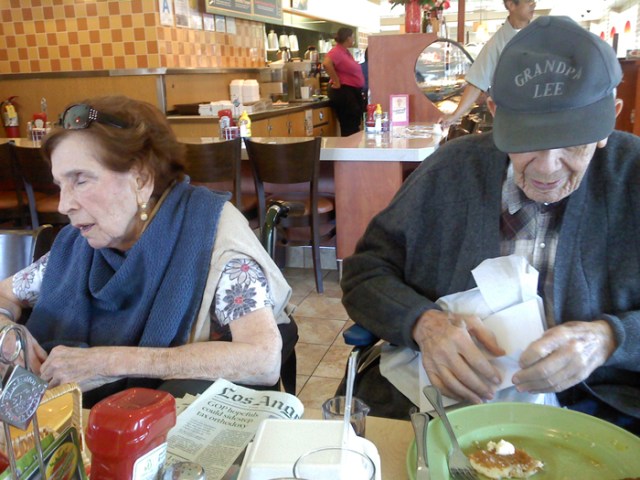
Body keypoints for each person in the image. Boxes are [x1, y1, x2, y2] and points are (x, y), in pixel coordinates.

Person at [341, 16, 640, 434]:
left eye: (573, 142)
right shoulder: (450, 170)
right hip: (445, 402)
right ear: (496, 113)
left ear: (610, 119)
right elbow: (365, 273)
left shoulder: (633, 177)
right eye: (527, 140)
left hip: (597, 406)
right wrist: (423, 324)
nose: (548, 168)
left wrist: (610, 337)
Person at [0, 96, 295, 406]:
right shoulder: (80, 246)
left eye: (81, 181)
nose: (64, 205)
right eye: (60, 185)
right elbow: (6, 295)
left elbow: (262, 359)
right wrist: (7, 333)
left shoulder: (209, 233)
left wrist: (108, 362)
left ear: (141, 179)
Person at [440, 0, 536, 128]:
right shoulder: (497, 43)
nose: (533, 4)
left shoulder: (541, 34)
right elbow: (477, 82)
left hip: (543, 116)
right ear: (511, 5)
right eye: (528, 1)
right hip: (515, 120)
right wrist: (455, 115)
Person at [322, 27, 365, 137]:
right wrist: (336, 81)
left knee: (354, 124)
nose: (353, 39)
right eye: (352, 37)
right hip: (343, 91)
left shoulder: (345, 52)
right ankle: (350, 146)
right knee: (349, 125)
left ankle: (353, 146)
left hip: (351, 91)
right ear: (348, 38)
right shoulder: (337, 51)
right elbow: (326, 63)